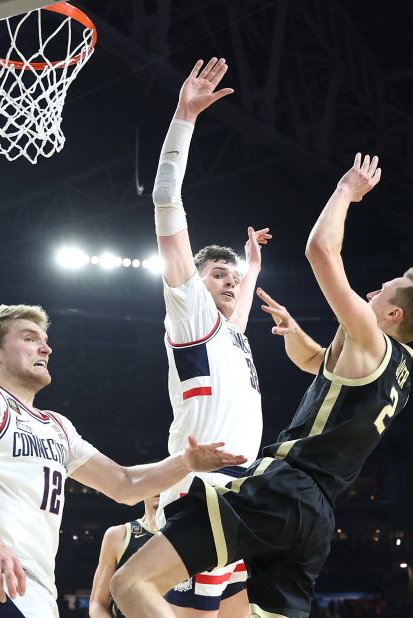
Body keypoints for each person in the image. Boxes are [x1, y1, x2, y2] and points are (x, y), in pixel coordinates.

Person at [111, 153, 413, 618]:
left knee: (131, 582)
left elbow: (320, 250)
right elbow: (315, 362)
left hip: (282, 488)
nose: (369, 293)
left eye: (381, 293)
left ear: (394, 316)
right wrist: (294, 329)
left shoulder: (369, 335)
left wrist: (347, 191)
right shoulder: (398, 371)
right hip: (317, 518)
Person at [0, 304, 246, 618]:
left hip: (37, 584)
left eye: (45, 341)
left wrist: (185, 462)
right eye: (30, 338)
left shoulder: (58, 426)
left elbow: (125, 485)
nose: (45, 349)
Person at [152, 56, 271, 616]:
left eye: (232, 277)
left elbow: (242, 302)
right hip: (203, 483)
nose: (228, 283)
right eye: (215, 276)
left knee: (238, 611)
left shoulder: (232, 334)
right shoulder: (192, 314)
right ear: (193, 288)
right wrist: (184, 118)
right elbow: (165, 204)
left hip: (242, 486)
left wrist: (253, 267)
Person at [88, 494, 160, 618]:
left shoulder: (190, 538)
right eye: (156, 479)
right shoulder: (118, 536)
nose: (160, 487)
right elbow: (97, 603)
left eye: (166, 481)